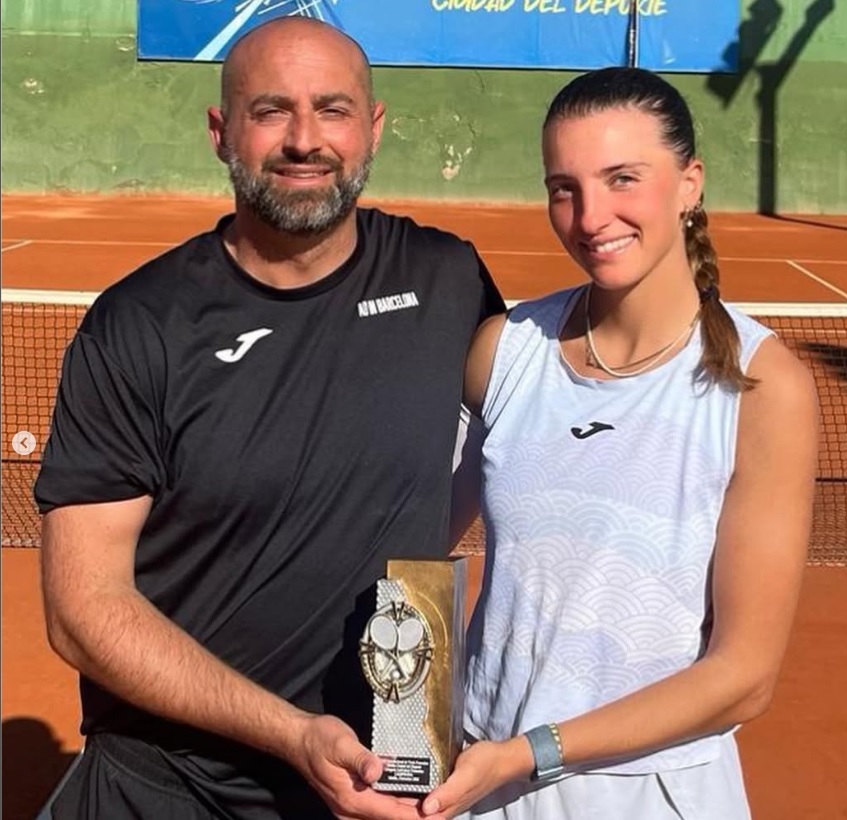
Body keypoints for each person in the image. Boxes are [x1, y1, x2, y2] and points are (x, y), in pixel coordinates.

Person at [35, 16, 503, 820]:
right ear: (221, 132)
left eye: (332, 109)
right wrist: (290, 734)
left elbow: (552, 417)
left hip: (376, 782)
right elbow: (82, 612)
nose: (304, 140)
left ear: (372, 127)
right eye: (270, 111)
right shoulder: (139, 326)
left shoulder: (447, 280)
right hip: (166, 786)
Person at [419, 68, 819, 819]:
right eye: (563, 188)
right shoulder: (504, 350)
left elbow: (744, 675)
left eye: (622, 179)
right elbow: (410, 539)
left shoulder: (765, 390)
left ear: (689, 184)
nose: (590, 215)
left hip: (653, 793)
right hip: (482, 781)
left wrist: (532, 750)